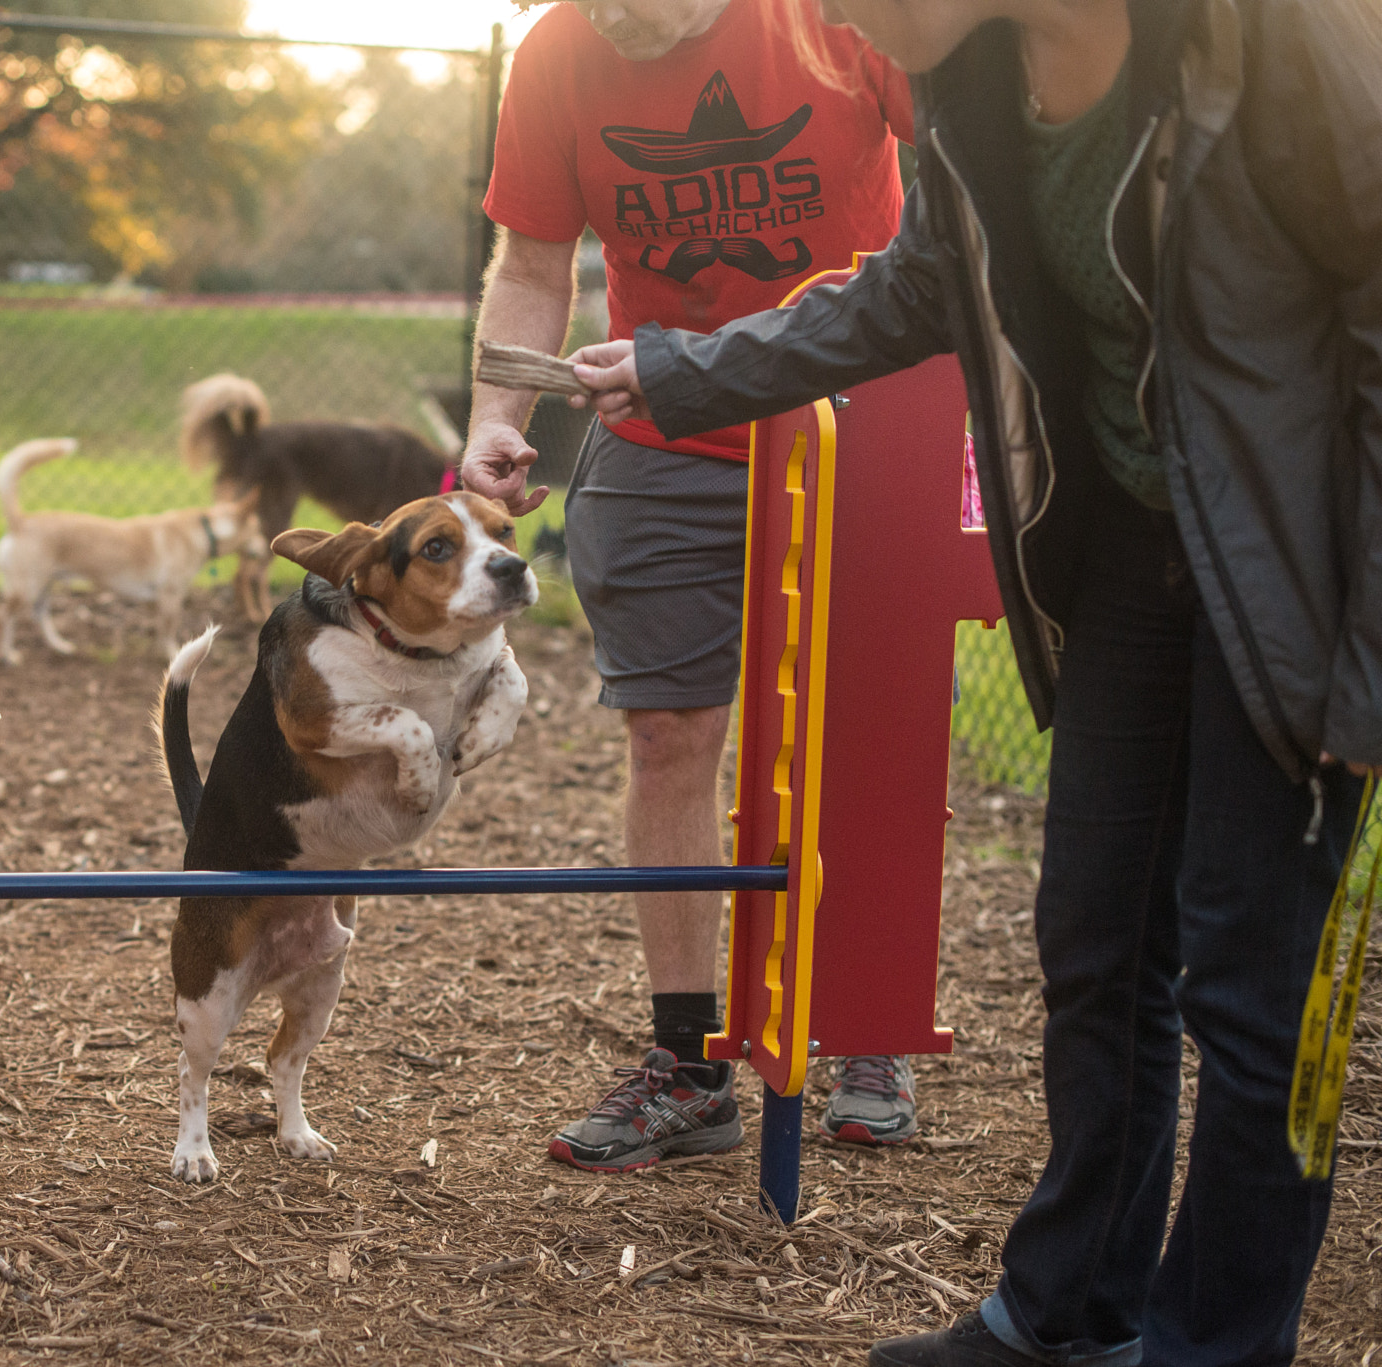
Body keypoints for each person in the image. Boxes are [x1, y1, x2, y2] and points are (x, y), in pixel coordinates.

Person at [560, 0, 1380, 1361]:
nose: (820, 12)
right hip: (1127, 550)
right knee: (1099, 950)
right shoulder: (974, 84)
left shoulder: (1271, 40)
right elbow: (915, 286)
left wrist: (1367, 667)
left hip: (1300, 575)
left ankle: (1218, 1341)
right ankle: (1069, 1310)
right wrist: (674, 369)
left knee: (1259, 988)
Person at [461, 0, 924, 1172]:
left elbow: (969, 190)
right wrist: (493, 423)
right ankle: (689, 1060)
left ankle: (864, 1022)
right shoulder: (559, 52)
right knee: (667, 734)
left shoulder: (838, 20)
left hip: (861, 419)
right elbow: (528, 261)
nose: (613, 16)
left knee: (859, 736)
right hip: (661, 440)